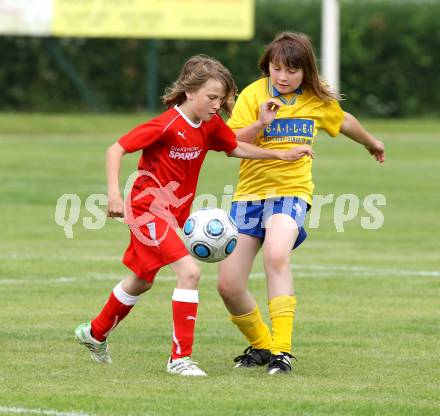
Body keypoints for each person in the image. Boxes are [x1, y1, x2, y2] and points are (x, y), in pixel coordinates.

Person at [74, 55, 314, 377]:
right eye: (211, 98)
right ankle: (179, 359)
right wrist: (114, 195)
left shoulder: (209, 125)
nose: (217, 105)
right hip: (148, 210)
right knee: (190, 272)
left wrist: (279, 152)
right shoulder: (167, 124)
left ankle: (95, 333)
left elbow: (234, 147)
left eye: (221, 99)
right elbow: (115, 149)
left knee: (142, 280)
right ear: (190, 93)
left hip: (175, 213)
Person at [217, 32, 386, 375]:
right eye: (277, 68)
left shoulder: (314, 98)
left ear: (305, 71)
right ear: (268, 66)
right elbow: (228, 142)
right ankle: (262, 345)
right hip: (249, 196)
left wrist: (371, 142)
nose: (283, 77)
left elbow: (344, 120)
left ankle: (282, 351)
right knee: (229, 285)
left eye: (292, 71)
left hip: (292, 192)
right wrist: (261, 123)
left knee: (277, 253)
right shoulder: (253, 94)